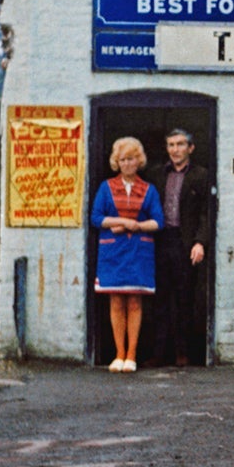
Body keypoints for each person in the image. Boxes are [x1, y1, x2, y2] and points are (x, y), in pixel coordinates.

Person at [89, 135, 160, 371]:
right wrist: (121, 221)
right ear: (116, 162)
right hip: (113, 251)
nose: (127, 164)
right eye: (122, 160)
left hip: (139, 252)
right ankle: (118, 354)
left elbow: (158, 221)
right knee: (116, 301)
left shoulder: (148, 190)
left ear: (138, 161)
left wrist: (136, 226)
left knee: (135, 303)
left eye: (131, 159)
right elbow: (96, 217)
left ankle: (131, 355)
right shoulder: (106, 187)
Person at [156, 126, 213, 365]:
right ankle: (157, 354)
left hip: (185, 242)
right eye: (171, 145)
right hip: (160, 240)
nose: (175, 150)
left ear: (191, 148)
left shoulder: (201, 175)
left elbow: (206, 212)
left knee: (184, 298)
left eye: (180, 144)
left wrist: (200, 242)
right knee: (158, 299)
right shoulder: (157, 174)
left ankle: (182, 353)